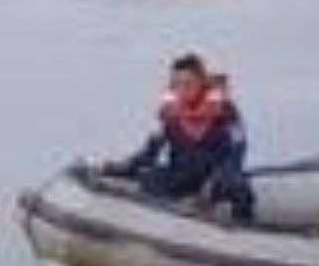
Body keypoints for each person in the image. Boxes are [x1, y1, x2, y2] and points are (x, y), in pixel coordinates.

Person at [102, 54, 255, 223]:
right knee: (150, 179)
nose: (182, 90)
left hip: (216, 176)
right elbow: (150, 152)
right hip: (183, 174)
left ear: (202, 82)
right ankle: (174, 222)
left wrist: (216, 179)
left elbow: (238, 151)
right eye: (177, 85)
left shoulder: (226, 111)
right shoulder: (170, 111)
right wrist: (122, 168)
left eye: (188, 84)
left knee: (240, 188)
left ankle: (243, 228)